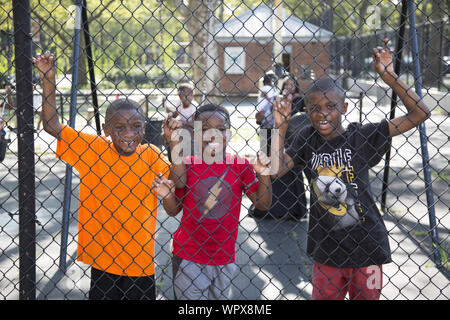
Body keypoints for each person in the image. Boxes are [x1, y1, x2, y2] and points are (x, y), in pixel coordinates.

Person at [273, 39, 430, 300]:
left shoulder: (361, 137)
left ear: (344, 108)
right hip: (326, 251)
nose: (322, 114)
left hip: (368, 248)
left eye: (331, 107)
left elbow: (420, 113)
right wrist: (280, 126)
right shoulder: (306, 139)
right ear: (307, 111)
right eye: (314, 108)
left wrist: (390, 77)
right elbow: (276, 171)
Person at [33, 51, 175, 300]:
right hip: (103, 259)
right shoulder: (93, 149)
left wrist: (175, 143)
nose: (129, 133)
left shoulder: (152, 155)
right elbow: (51, 125)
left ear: (145, 126)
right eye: (119, 127)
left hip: (139, 261)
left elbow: (178, 182)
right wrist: (48, 78)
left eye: (136, 126)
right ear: (106, 129)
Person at [153, 102, 290, 300]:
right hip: (189, 255)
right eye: (206, 130)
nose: (214, 136)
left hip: (223, 256)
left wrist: (264, 176)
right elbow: (174, 210)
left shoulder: (239, 165)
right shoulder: (188, 164)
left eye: (221, 129)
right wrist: (167, 195)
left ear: (229, 133)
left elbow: (263, 204)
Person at [255, 73, 277, 155]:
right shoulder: (269, 89)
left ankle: (264, 158)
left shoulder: (263, 88)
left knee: (265, 142)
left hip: (263, 118)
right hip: (269, 119)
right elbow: (273, 101)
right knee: (272, 140)